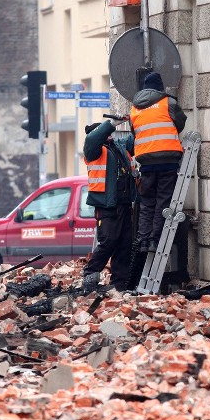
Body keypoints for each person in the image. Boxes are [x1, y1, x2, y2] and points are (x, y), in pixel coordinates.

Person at [130, 71, 187, 252]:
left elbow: (135, 133)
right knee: (163, 201)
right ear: (160, 87)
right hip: (168, 160)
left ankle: (144, 241)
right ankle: (155, 240)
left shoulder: (134, 108)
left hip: (146, 162)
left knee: (147, 202)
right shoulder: (168, 102)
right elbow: (180, 122)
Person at [81, 119, 136, 292]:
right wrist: (111, 123)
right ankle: (90, 276)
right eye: (107, 132)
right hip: (106, 206)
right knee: (108, 241)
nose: (110, 135)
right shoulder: (94, 150)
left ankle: (119, 285)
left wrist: (137, 120)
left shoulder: (117, 147)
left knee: (124, 244)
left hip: (124, 204)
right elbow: (93, 138)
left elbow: (133, 141)